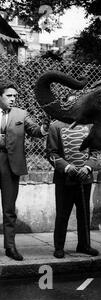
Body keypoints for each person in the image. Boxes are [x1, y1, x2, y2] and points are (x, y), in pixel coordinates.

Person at [0, 80, 49, 261]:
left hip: (11, 165)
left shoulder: (21, 114)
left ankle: (10, 247)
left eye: (15, 96)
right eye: (9, 95)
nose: (13, 99)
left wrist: (44, 127)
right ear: (0, 96)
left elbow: (35, 130)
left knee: (9, 209)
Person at [46, 120, 99, 259]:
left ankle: (84, 245)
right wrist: (67, 167)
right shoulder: (55, 126)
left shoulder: (90, 125)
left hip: (84, 178)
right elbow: (51, 153)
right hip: (65, 179)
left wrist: (87, 167)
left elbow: (95, 151)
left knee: (84, 214)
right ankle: (59, 247)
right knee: (62, 214)